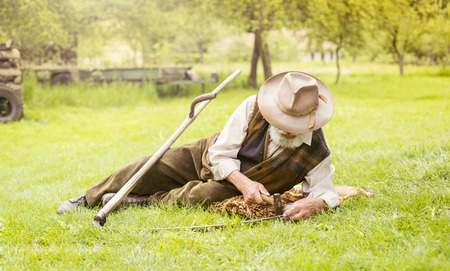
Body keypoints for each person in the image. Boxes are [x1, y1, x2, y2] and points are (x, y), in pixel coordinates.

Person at [56, 71, 339, 221]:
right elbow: (220, 154)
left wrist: (317, 203)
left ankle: (137, 202)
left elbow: (325, 191)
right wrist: (243, 182)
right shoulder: (253, 106)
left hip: (236, 184)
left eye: (295, 125)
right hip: (213, 155)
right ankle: (89, 198)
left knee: (200, 195)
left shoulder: (316, 150)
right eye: (282, 121)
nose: (288, 130)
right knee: (151, 164)